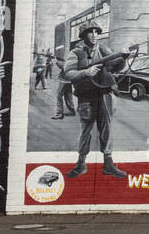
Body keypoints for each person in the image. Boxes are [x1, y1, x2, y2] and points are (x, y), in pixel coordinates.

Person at [61, 25, 129, 178]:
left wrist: (124, 58)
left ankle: (108, 164)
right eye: (90, 32)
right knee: (86, 131)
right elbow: (68, 73)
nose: (94, 35)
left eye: (96, 32)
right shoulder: (76, 52)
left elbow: (115, 67)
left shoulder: (104, 50)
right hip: (87, 96)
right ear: (83, 36)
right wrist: (86, 72)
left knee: (107, 129)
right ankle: (81, 164)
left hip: (104, 94)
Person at [52, 45, 78, 120]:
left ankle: (59, 113)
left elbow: (64, 67)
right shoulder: (74, 57)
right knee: (68, 95)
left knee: (59, 95)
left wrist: (56, 62)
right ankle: (71, 110)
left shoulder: (73, 58)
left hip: (65, 79)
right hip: (68, 80)